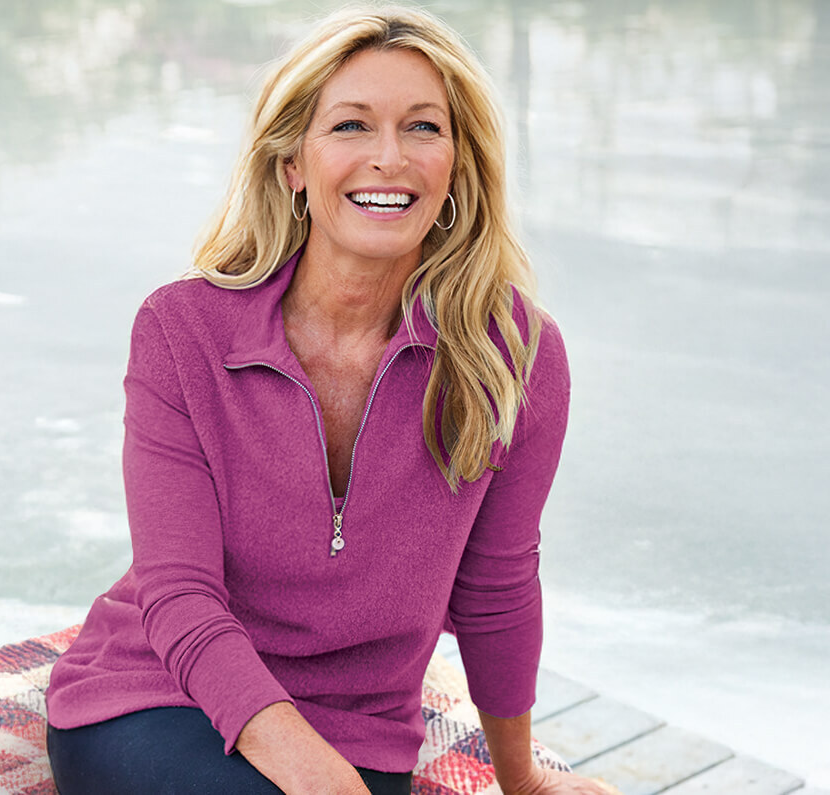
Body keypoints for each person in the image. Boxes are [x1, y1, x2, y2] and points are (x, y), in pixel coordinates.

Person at [45, 6, 612, 794]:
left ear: (457, 164)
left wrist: (523, 782)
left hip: (362, 725)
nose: (390, 158)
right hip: (160, 697)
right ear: (292, 165)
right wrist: (321, 780)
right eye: (350, 126)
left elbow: (497, 586)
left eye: (423, 128)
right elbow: (178, 595)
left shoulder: (515, 355)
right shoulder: (183, 330)